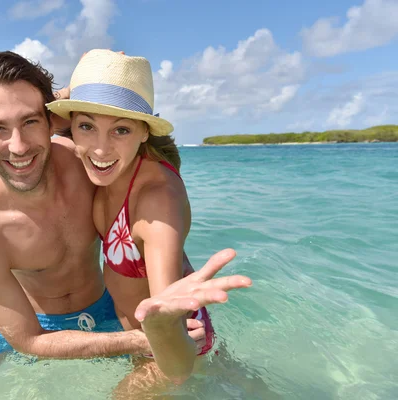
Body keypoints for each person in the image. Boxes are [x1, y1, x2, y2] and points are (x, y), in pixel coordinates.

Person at [0, 51, 249, 399]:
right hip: (37, 326)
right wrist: (140, 338)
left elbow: (103, 114)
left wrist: (96, 73)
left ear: (50, 122)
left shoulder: (87, 160)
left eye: (30, 122)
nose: (18, 147)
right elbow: (30, 339)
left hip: (108, 305)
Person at [46, 49, 252, 390]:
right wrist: (78, 87)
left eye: (121, 130)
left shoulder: (157, 201)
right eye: (86, 126)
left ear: (145, 132)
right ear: (71, 125)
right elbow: (24, 122)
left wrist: (156, 333)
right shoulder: (107, 166)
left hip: (173, 345)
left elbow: (177, 357)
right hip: (138, 339)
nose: (99, 149)